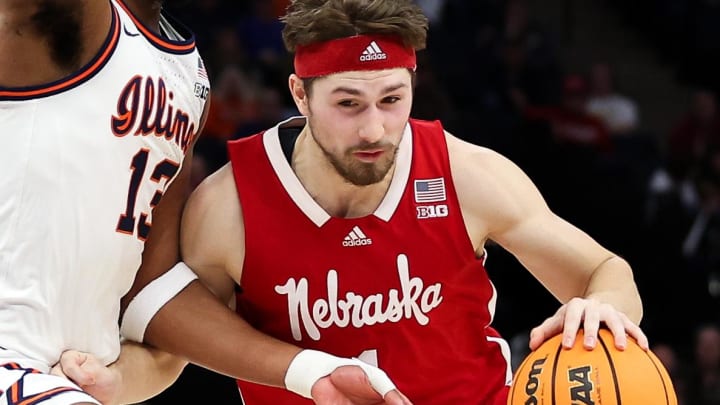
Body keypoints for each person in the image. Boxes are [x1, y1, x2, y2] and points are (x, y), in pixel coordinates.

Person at [137, 0, 647, 404]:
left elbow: (606, 270)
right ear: (299, 94)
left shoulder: (467, 175)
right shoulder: (229, 207)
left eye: (392, 99)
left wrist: (600, 307)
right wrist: (112, 383)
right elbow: (170, 350)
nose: (374, 128)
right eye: (348, 103)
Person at [0, 0, 210, 403]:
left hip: (72, 378)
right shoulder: (73, 16)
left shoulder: (191, 74)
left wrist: (307, 370)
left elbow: (153, 305)